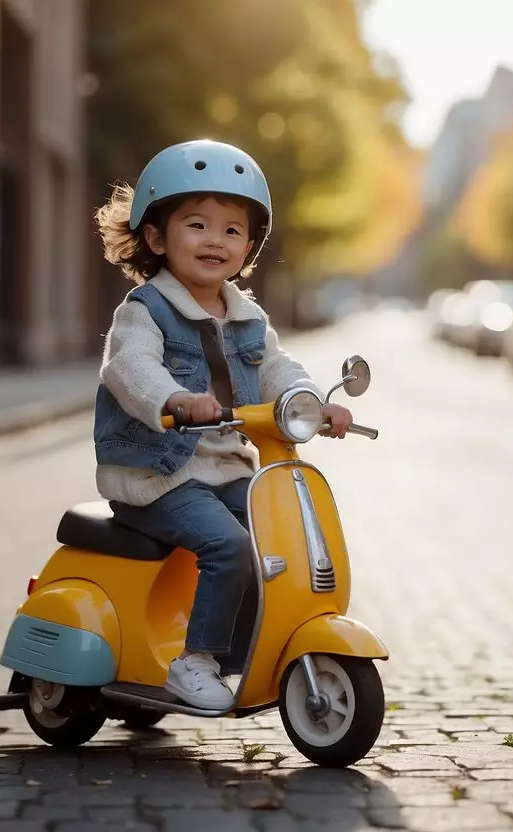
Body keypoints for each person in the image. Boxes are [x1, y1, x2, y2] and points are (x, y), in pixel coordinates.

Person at [91, 140, 353, 709]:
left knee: (277, 545)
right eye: (198, 224)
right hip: (157, 476)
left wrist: (311, 402)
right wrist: (177, 398)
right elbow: (128, 368)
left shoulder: (249, 316)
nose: (216, 240)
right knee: (231, 545)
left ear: (250, 246)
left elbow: (279, 369)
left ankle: (243, 653)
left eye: (233, 231)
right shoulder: (143, 310)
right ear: (158, 238)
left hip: (222, 470)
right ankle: (195, 662)